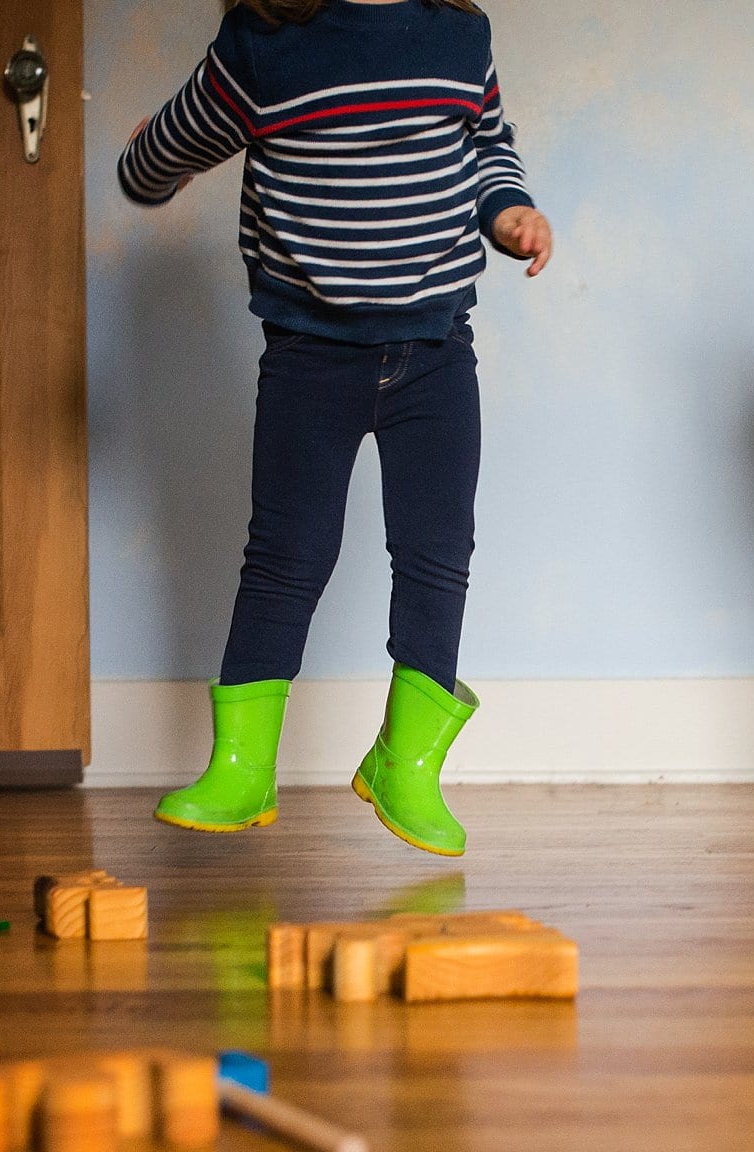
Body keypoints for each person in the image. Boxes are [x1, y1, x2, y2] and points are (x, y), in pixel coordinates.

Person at [119, 0, 552, 857]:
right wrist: (148, 164)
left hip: (434, 350)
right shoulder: (265, 42)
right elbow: (173, 143)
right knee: (286, 557)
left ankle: (407, 764)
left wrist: (509, 212)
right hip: (309, 357)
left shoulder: (458, 34)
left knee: (437, 555)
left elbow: (487, 143)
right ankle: (242, 769)